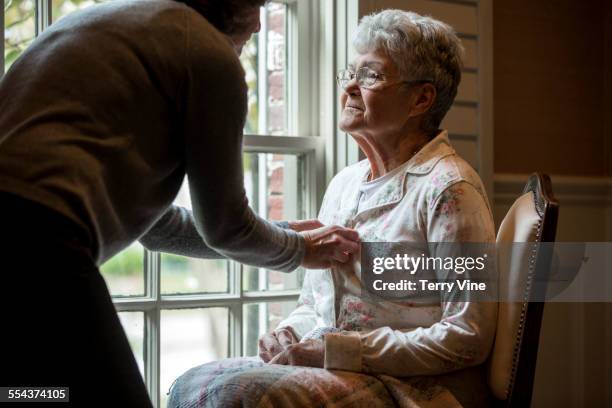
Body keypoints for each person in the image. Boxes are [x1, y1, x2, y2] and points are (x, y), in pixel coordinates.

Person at [0, 0, 359, 406]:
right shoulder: (207, 54)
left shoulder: (105, 25)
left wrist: (288, 233)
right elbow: (227, 227)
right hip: (34, 244)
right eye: (255, 6)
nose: (259, 26)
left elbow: (158, 228)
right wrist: (301, 250)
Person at [168, 9, 497, 408]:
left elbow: (469, 334)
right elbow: (316, 306)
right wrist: (290, 332)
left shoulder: (450, 190)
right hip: (342, 374)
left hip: (414, 389)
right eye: (350, 74)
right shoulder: (344, 184)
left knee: (234, 396)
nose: (351, 88)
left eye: (371, 75)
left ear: (421, 98)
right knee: (193, 383)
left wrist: (340, 351)